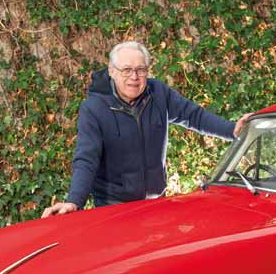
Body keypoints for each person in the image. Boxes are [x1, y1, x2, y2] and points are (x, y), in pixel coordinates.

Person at [42, 41, 250, 217]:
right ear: (112, 71)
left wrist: (232, 130)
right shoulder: (93, 108)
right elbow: (86, 159)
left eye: (141, 70)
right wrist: (74, 201)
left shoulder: (158, 92)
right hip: (114, 208)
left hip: (156, 203)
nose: (134, 76)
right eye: (127, 70)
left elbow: (194, 116)